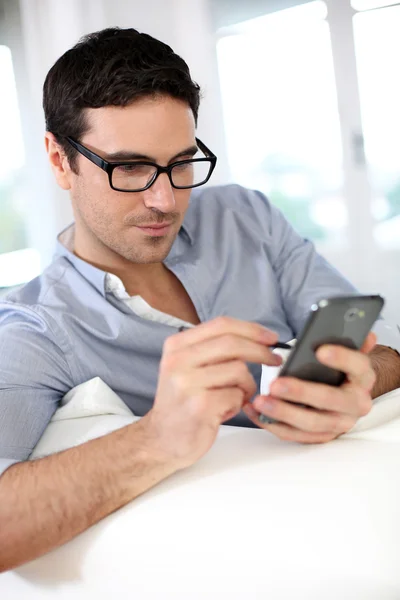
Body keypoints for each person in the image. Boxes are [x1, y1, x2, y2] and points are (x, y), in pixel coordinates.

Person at [0, 27, 399, 573]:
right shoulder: (34, 330)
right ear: (58, 159)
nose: (165, 199)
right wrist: (158, 438)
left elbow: (378, 340)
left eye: (181, 162)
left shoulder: (246, 217)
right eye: (130, 168)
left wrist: (363, 377)